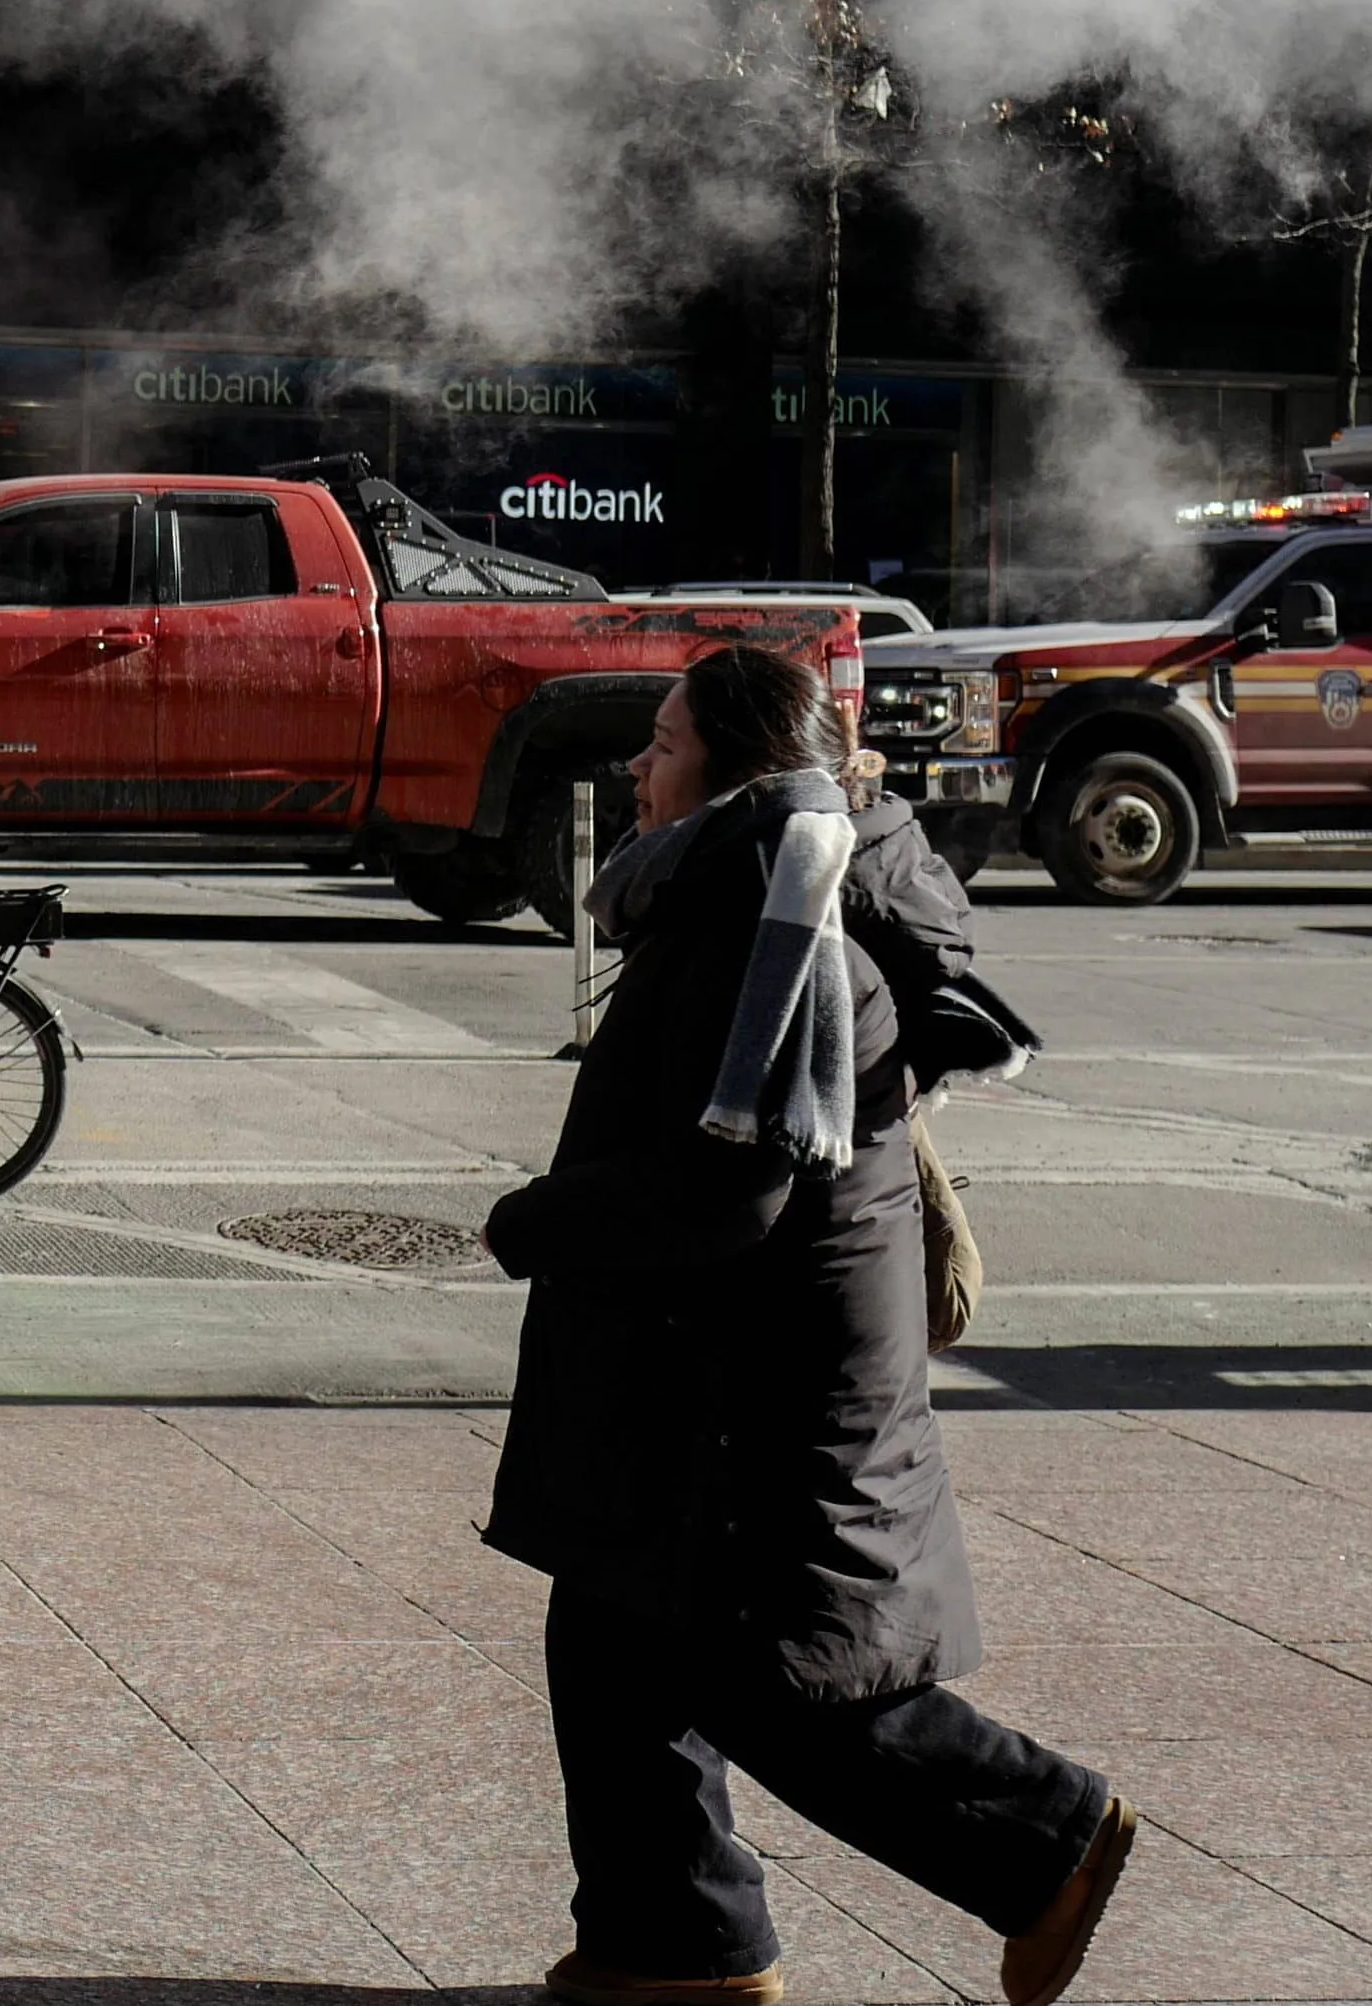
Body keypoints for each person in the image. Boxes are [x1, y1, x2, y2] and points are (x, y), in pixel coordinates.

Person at [483, 645, 1136, 2006]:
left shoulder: (772, 924)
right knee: (612, 1636)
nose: (636, 766)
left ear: (732, 768)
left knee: (770, 1674)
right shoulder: (753, 887)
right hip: (719, 1353)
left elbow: (730, 1182)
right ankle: (674, 1946)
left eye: (661, 743)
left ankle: (1047, 1836)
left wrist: (537, 1219)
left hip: (751, 1374)